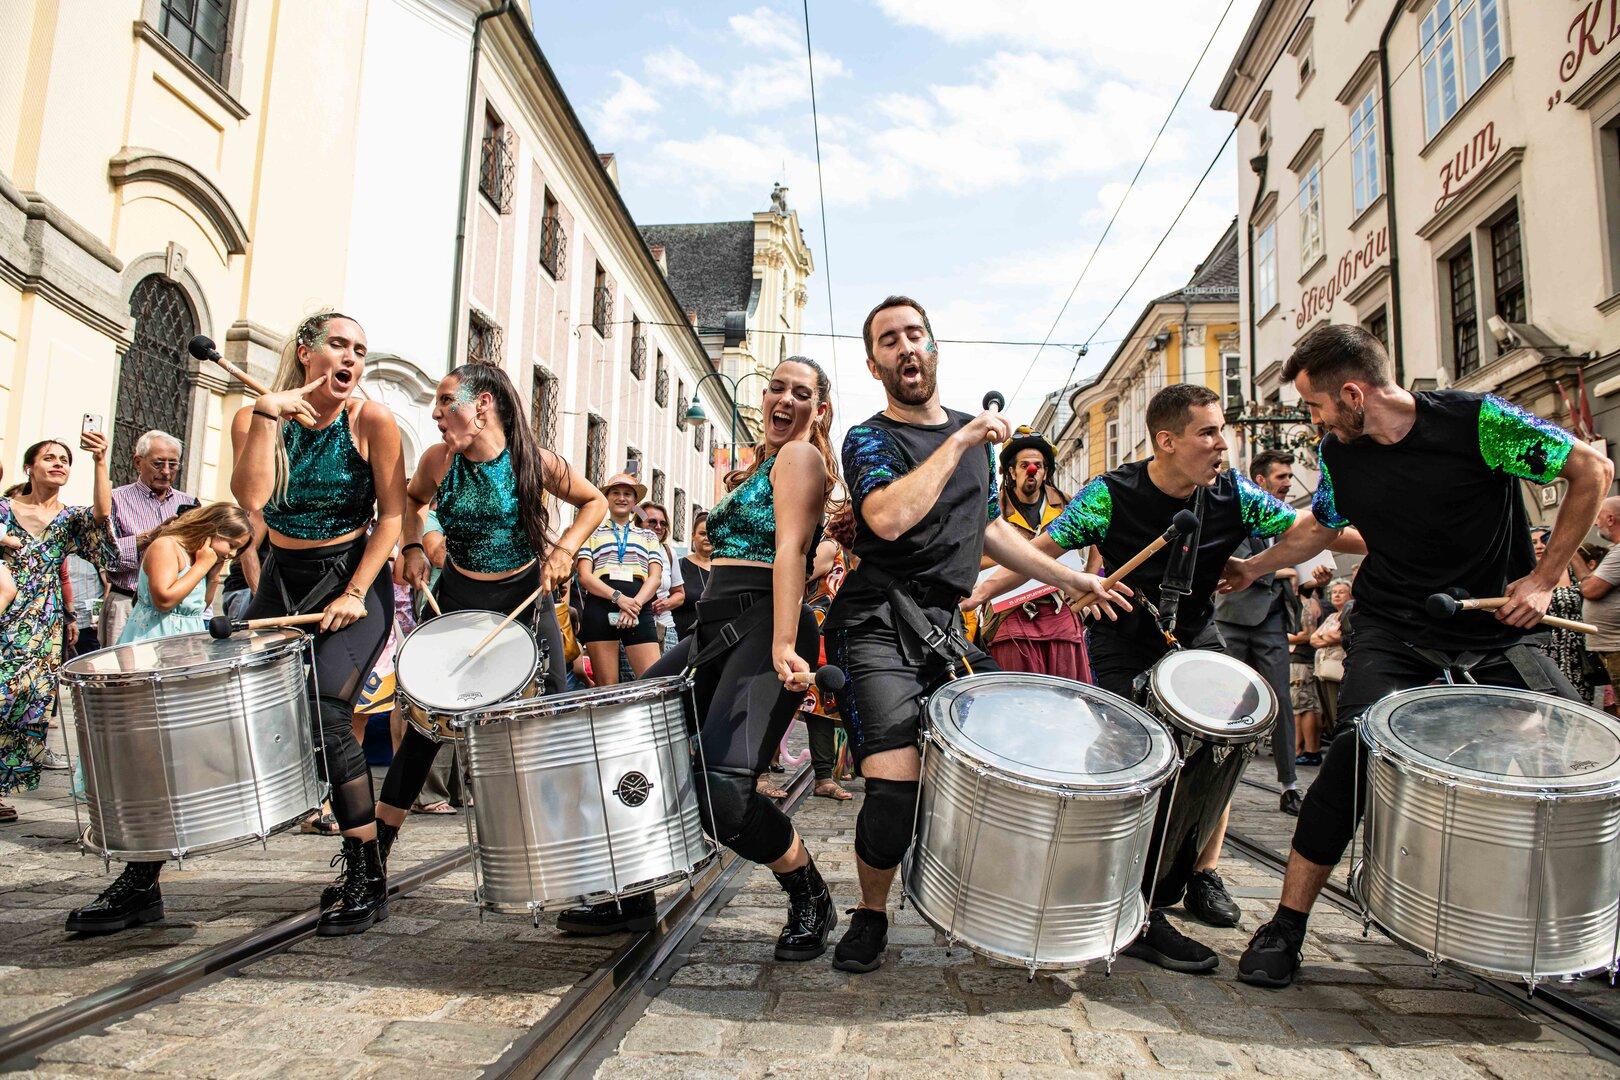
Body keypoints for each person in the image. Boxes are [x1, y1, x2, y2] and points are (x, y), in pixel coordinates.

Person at [1222, 322, 1608, 989]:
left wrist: (1545, 577)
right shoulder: (1342, 454)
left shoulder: (1479, 422)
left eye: (1315, 405)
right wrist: (1253, 567)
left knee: (1582, 767)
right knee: (1355, 750)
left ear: (1352, 392)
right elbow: (1319, 526)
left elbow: (1591, 470)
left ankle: (1595, 930)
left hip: (1499, 630)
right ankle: (1286, 925)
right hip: (1394, 626)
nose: (1313, 420)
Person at [966, 383, 1341, 973]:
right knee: (1139, 767)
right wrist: (979, 590)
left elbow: (1306, 530)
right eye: (1208, 432)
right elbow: (1036, 550)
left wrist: (1261, 564)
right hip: (1122, 640)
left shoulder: (1234, 493)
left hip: (1194, 637)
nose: (1224, 442)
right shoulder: (1111, 495)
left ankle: (1201, 872)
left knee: (1220, 752)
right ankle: (1133, 905)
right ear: (1166, 441)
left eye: (1222, 430)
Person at [824, 296, 1124, 974]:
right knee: (892, 791)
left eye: (915, 335)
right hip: (876, 624)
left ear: (933, 348)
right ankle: (871, 911)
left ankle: (999, 897)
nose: (905, 348)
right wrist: (959, 441)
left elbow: (988, 530)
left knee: (1027, 750)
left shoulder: (972, 443)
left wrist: (1070, 580)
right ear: (875, 365)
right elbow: (888, 518)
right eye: (889, 341)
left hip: (944, 631)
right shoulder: (870, 439)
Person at [639, 356, 843, 959]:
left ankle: (808, 890)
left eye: (800, 393)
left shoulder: (800, 458)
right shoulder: (758, 465)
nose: (784, 399)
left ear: (819, 410)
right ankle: (628, 891)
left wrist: (783, 641)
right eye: (776, 387)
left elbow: (789, 552)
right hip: (715, 628)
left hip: (765, 625)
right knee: (632, 737)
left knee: (725, 794)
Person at [388, 363, 605, 895]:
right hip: (457, 600)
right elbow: (412, 502)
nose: (436, 414)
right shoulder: (439, 460)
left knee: (552, 724)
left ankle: (576, 863)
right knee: (421, 731)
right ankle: (370, 861)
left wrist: (565, 548)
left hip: (525, 602)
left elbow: (593, 502)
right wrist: (414, 545)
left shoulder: (536, 462)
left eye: (445, 402)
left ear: (481, 403)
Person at [226, 310, 406, 936]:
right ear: (307, 353)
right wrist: (269, 416)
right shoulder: (257, 416)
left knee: (331, 714)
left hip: (354, 576)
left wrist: (356, 591)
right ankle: (144, 876)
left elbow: (392, 520)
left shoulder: (372, 420)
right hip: (283, 577)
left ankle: (365, 874)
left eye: (360, 348)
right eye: (337, 344)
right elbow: (250, 502)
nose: (350, 357)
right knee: (233, 708)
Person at [64, 504, 253, 933]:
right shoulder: (168, 546)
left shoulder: (208, 561)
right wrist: (205, 562)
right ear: (210, 530)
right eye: (229, 545)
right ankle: (138, 881)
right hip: (150, 651)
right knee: (144, 757)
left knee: (172, 763)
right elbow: (166, 598)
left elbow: (198, 609)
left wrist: (212, 571)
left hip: (181, 653)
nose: (229, 554)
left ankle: (143, 882)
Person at [0, 436, 115, 824]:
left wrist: (100, 460)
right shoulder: (2, 510)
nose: (58, 464)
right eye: (49, 458)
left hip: (42, 622)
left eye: (65, 460)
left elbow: (101, 518)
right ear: (29, 467)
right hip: (3, 613)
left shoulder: (70, 519)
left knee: (26, 704)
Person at [1214, 449, 1300, 815]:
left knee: (1280, 698)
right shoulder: (1237, 508)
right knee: (1229, 703)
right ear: (1261, 480)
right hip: (1234, 617)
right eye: (1281, 477)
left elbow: (1301, 558)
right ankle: (1216, 778)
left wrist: (1307, 580)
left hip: (1272, 620)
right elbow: (1232, 560)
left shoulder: (1288, 520)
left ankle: (1290, 785)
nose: (1288, 483)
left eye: (1289, 477)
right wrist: (1279, 570)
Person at [977, 427, 1092, 680]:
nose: (1032, 470)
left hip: (1061, 614)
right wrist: (1013, 555)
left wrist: (1090, 589)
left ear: (1046, 471)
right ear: (1011, 471)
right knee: (1017, 698)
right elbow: (972, 560)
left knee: (1068, 696)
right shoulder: (992, 512)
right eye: (1025, 465)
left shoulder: (1068, 505)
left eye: (1038, 465)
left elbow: (1099, 545)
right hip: (1009, 618)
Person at [100, 430, 200, 646]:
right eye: (158, 463)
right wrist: (149, 538)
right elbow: (105, 556)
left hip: (176, 611)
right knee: (121, 673)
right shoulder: (116, 499)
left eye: (173, 465)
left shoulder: (189, 504)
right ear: (138, 461)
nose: (166, 471)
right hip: (127, 602)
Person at [576, 475, 663, 683]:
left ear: (634, 502)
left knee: (652, 681)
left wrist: (634, 604)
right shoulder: (592, 532)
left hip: (638, 608)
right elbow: (584, 576)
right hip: (601, 606)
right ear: (606, 498)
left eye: (627, 494)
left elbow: (655, 578)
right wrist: (619, 598)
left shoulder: (648, 536)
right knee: (607, 688)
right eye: (615, 492)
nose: (621, 498)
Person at [1533, 525, 1593, 705]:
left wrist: (1570, 552)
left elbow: (1590, 587)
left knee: (1580, 702)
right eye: (1533, 542)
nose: (1539, 546)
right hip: (1546, 648)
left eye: (1544, 541)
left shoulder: (1573, 571)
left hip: (1577, 650)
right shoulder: (1526, 577)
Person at [1581, 498, 1620, 689]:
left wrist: (1572, 555)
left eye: (1599, 516)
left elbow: (1590, 590)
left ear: (1611, 519)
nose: (1597, 522)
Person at [641, 501, 686, 651]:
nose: (658, 527)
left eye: (663, 523)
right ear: (639, 523)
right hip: (635, 624)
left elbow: (679, 594)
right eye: (652, 522)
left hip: (665, 627)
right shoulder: (629, 548)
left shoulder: (669, 552)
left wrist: (666, 604)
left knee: (667, 674)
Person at [1288, 578, 1324, 765]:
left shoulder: (1306, 603)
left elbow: (1307, 635)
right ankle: (1299, 749)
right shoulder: (1299, 603)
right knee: (1298, 707)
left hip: (1302, 660)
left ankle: (1311, 751)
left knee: (1305, 705)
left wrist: (1282, 636)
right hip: (1296, 660)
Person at [1310, 578, 1351, 734]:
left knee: (1337, 711)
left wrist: (1324, 637)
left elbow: (1340, 637)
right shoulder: (1331, 616)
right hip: (1322, 671)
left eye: (1341, 592)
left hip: (1337, 670)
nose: (1337, 595)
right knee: (1327, 711)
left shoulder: (1350, 613)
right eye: (1334, 592)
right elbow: (1313, 639)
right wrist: (1327, 637)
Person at [672, 511, 711, 640]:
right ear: (693, 536)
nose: (707, 538)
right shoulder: (679, 565)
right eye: (702, 533)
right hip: (682, 638)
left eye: (711, 534)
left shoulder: (724, 569)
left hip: (712, 640)